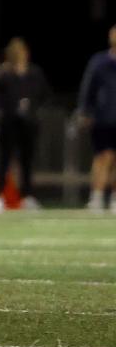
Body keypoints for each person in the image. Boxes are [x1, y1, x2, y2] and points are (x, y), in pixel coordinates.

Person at [0, 37, 50, 212]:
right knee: (4, 161)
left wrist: (33, 108)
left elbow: (44, 93)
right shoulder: (4, 73)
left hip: (28, 123)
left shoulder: (34, 72)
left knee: (27, 161)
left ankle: (27, 196)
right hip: (9, 122)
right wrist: (5, 107)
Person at [78, 24, 116, 212]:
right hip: (104, 117)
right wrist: (84, 110)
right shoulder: (100, 61)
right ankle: (97, 196)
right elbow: (88, 88)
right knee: (103, 157)